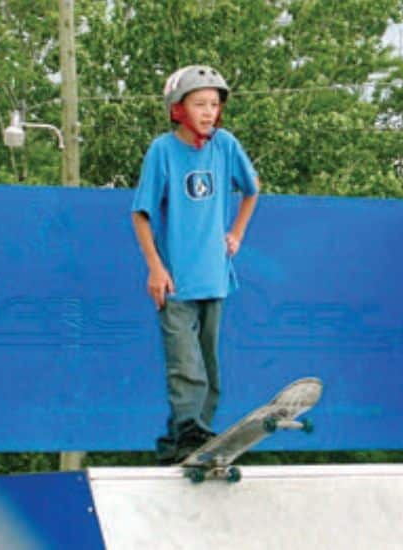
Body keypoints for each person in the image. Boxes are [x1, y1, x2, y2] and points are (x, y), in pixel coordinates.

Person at [130, 65, 260, 465]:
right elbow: (141, 213)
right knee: (186, 367)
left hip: (215, 278)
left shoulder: (226, 146)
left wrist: (236, 234)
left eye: (214, 105)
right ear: (178, 109)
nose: (208, 112)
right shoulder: (163, 151)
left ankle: (184, 444)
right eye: (199, 104)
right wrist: (155, 267)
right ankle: (188, 434)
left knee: (210, 370)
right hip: (176, 282)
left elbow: (252, 190)